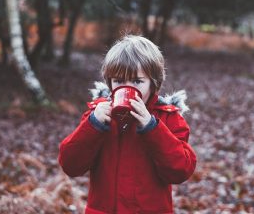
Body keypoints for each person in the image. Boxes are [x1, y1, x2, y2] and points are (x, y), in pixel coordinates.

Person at [58, 35, 197, 214]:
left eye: (137, 81)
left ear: (153, 83)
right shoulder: (98, 115)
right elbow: (70, 165)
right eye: (119, 81)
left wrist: (152, 127)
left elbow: (180, 171)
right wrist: (93, 125)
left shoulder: (168, 118)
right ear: (109, 82)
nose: (127, 87)